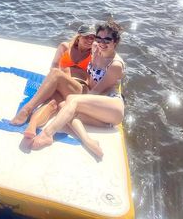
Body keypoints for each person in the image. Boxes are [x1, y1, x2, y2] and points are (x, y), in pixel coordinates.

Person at [30, 20, 126, 158]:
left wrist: (74, 92)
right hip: (97, 104)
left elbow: (96, 92)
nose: (102, 42)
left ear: (115, 42)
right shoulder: (95, 48)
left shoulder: (115, 64)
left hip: (111, 105)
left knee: (70, 101)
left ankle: (47, 134)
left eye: (107, 39)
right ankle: (87, 140)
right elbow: (74, 45)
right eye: (99, 38)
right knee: (64, 106)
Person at [10, 24, 96, 139]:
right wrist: (52, 86)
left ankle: (27, 109)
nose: (90, 40)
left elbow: (97, 75)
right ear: (79, 36)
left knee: (55, 73)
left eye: (92, 37)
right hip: (61, 85)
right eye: (86, 37)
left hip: (78, 88)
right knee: (52, 104)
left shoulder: (94, 54)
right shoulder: (65, 47)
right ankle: (32, 126)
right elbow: (54, 65)